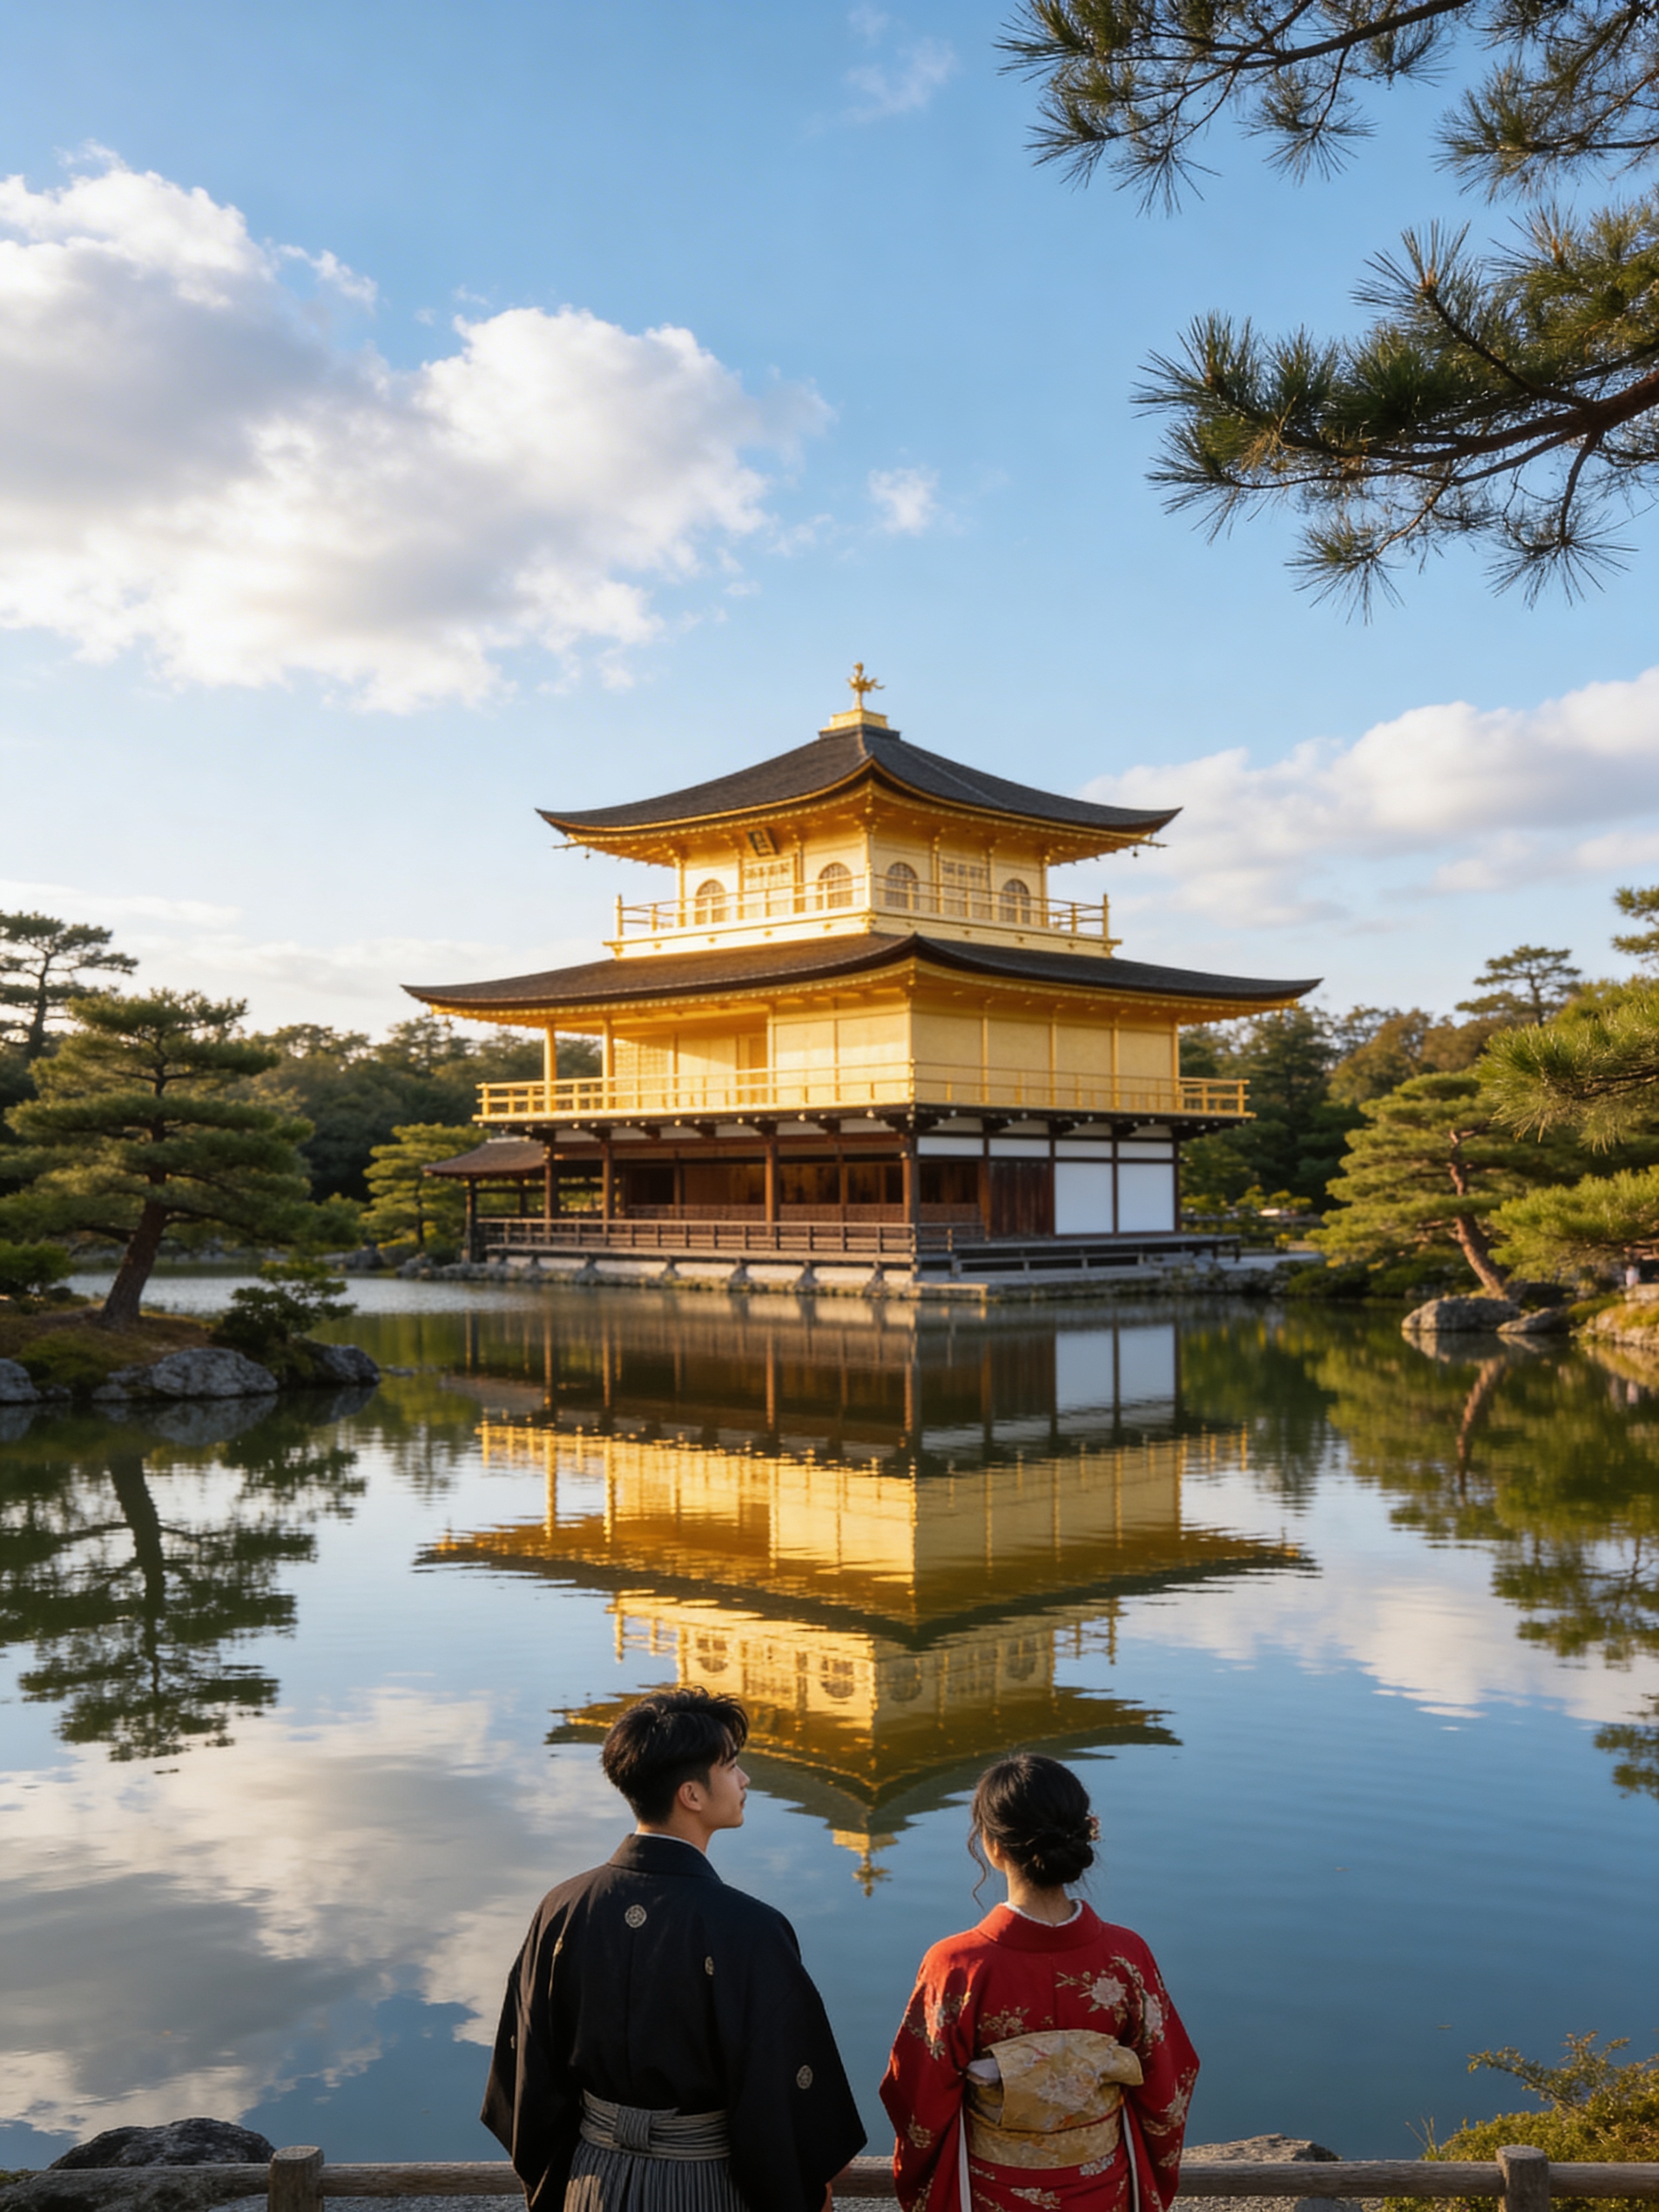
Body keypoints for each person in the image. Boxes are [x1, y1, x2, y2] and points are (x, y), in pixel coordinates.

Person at [483, 1687, 865, 2212]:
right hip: (708, 2186)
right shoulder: (750, 1927)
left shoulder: (563, 1908)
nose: (745, 1779)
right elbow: (788, 2101)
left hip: (590, 2183)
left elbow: (526, 2074)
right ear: (692, 1794)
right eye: (732, 1766)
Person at [880, 1754, 1197, 2212]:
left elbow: (919, 2102)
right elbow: (1168, 2085)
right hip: (1105, 2189)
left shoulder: (956, 1967)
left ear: (992, 1846)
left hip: (993, 2194)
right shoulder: (1127, 1958)